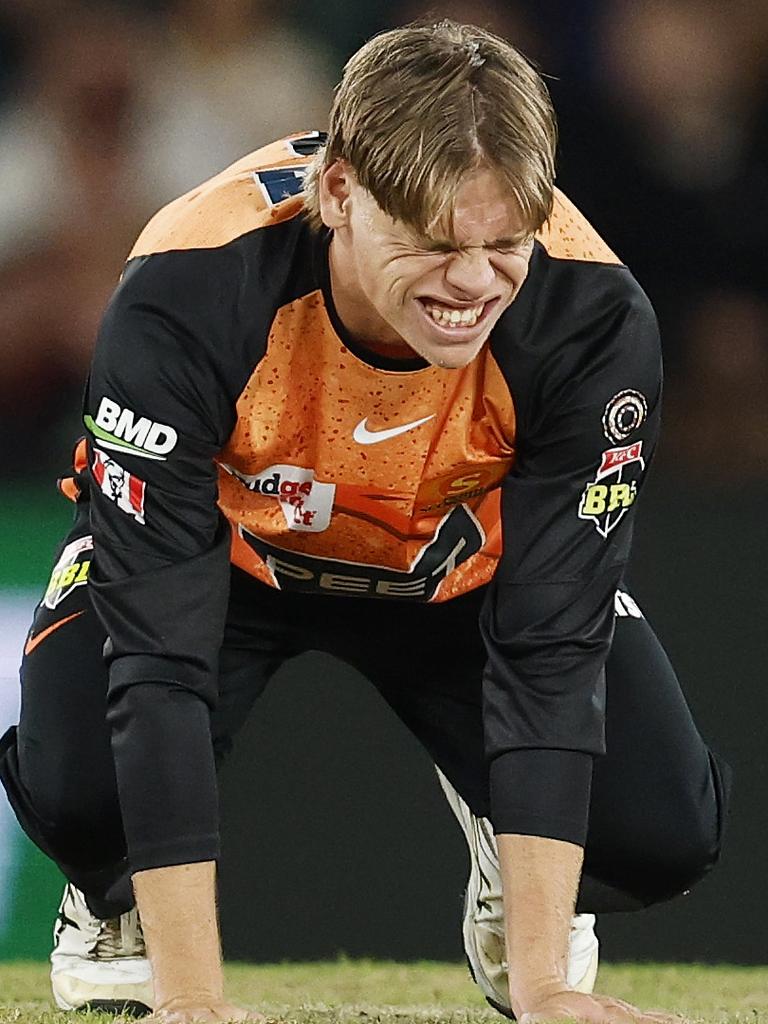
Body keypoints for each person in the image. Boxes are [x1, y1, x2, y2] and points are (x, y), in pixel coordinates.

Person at [0, 20, 730, 1024]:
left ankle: (510, 884)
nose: (474, 284)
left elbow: (552, 649)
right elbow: (156, 657)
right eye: (434, 243)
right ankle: (114, 909)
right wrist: (194, 1003)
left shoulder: (591, 316)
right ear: (338, 192)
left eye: (505, 243)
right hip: (228, 557)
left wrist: (547, 985)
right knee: (83, 786)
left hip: (459, 568)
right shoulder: (190, 286)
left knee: (658, 829)